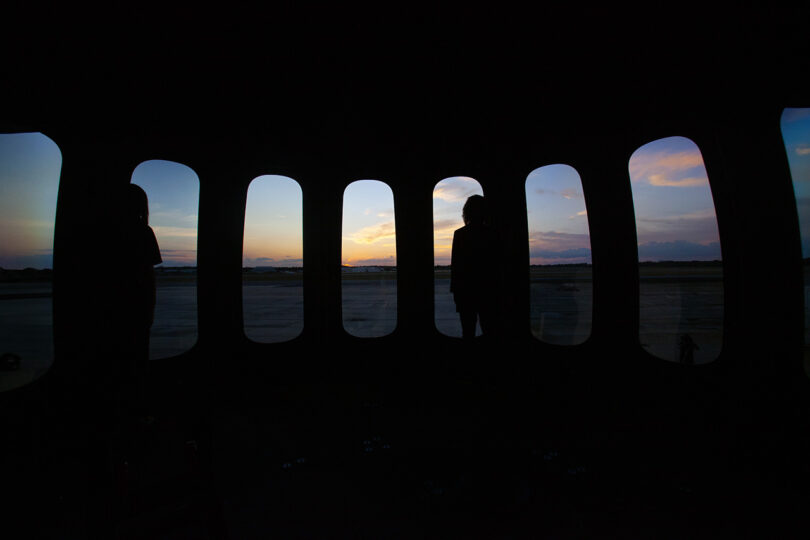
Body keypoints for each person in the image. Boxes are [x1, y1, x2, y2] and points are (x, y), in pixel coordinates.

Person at [117, 183, 162, 418]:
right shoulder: (143, 232)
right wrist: (149, 308)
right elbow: (148, 275)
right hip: (138, 306)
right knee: (137, 358)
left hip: (117, 309)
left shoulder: (108, 232)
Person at [450, 195, 500, 340]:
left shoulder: (460, 234)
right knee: (489, 328)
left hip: (465, 291)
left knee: (467, 331)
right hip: (488, 290)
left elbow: (457, 267)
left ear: (466, 212)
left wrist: (456, 292)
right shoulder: (493, 234)